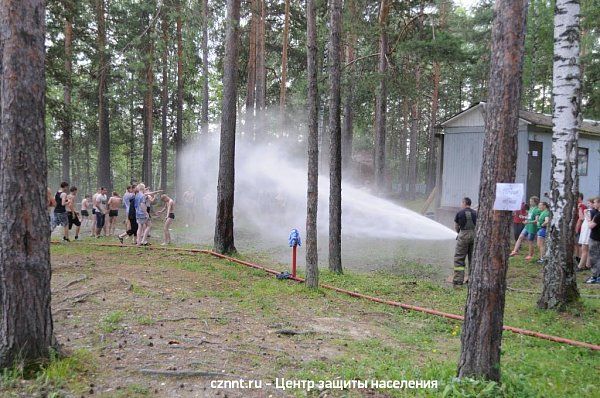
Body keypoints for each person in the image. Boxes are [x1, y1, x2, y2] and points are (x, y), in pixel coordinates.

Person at [452, 197, 477, 286]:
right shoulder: (475, 213)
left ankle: (458, 280)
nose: (461, 204)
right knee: (473, 258)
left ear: (464, 203)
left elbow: (456, 226)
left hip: (463, 235)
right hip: (474, 236)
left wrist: (460, 233)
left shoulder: (460, 213)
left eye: (461, 203)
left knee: (459, 258)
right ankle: (472, 279)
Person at [510, 196, 541, 260]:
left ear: (535, 202)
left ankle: (530, 255)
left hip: (532, 228)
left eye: (531, 201)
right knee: (520, 237)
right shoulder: (531, 208)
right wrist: (525, 218)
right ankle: (515, 251)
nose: (530, 202)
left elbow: (536, 220)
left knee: (530, 241)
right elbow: (529, 217)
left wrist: (528, 222)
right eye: (530, 201)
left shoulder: (537, 210)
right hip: (527, 226)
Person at [585, 197, 600, 284]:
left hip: (595, 239)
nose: (594, 204)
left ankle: (595, 276)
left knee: (594, 257)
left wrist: (587, 217)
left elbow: (591, 226)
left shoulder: (598, 215)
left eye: (595, 202)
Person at [577, 198, 593, 271]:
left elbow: (585, 218)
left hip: (588, 231)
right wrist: (581, 209)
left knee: (584, 250)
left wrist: (584, 211)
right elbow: (582, 218)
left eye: (589, 203)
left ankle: (580, 266)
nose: (588, 205)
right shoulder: (588, 211)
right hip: (585, 231)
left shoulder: (592, 212)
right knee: (587, 250)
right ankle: (587, 265)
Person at [574, 193, 587, 262]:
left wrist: (576, 228)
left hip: (579, 228)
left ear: (579, 198)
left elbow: (581, 219)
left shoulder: (582, 206)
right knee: (576, 244)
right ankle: (577, 258)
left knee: (579, 245)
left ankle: (580, 259)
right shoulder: (576, 206)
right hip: (576, 228)